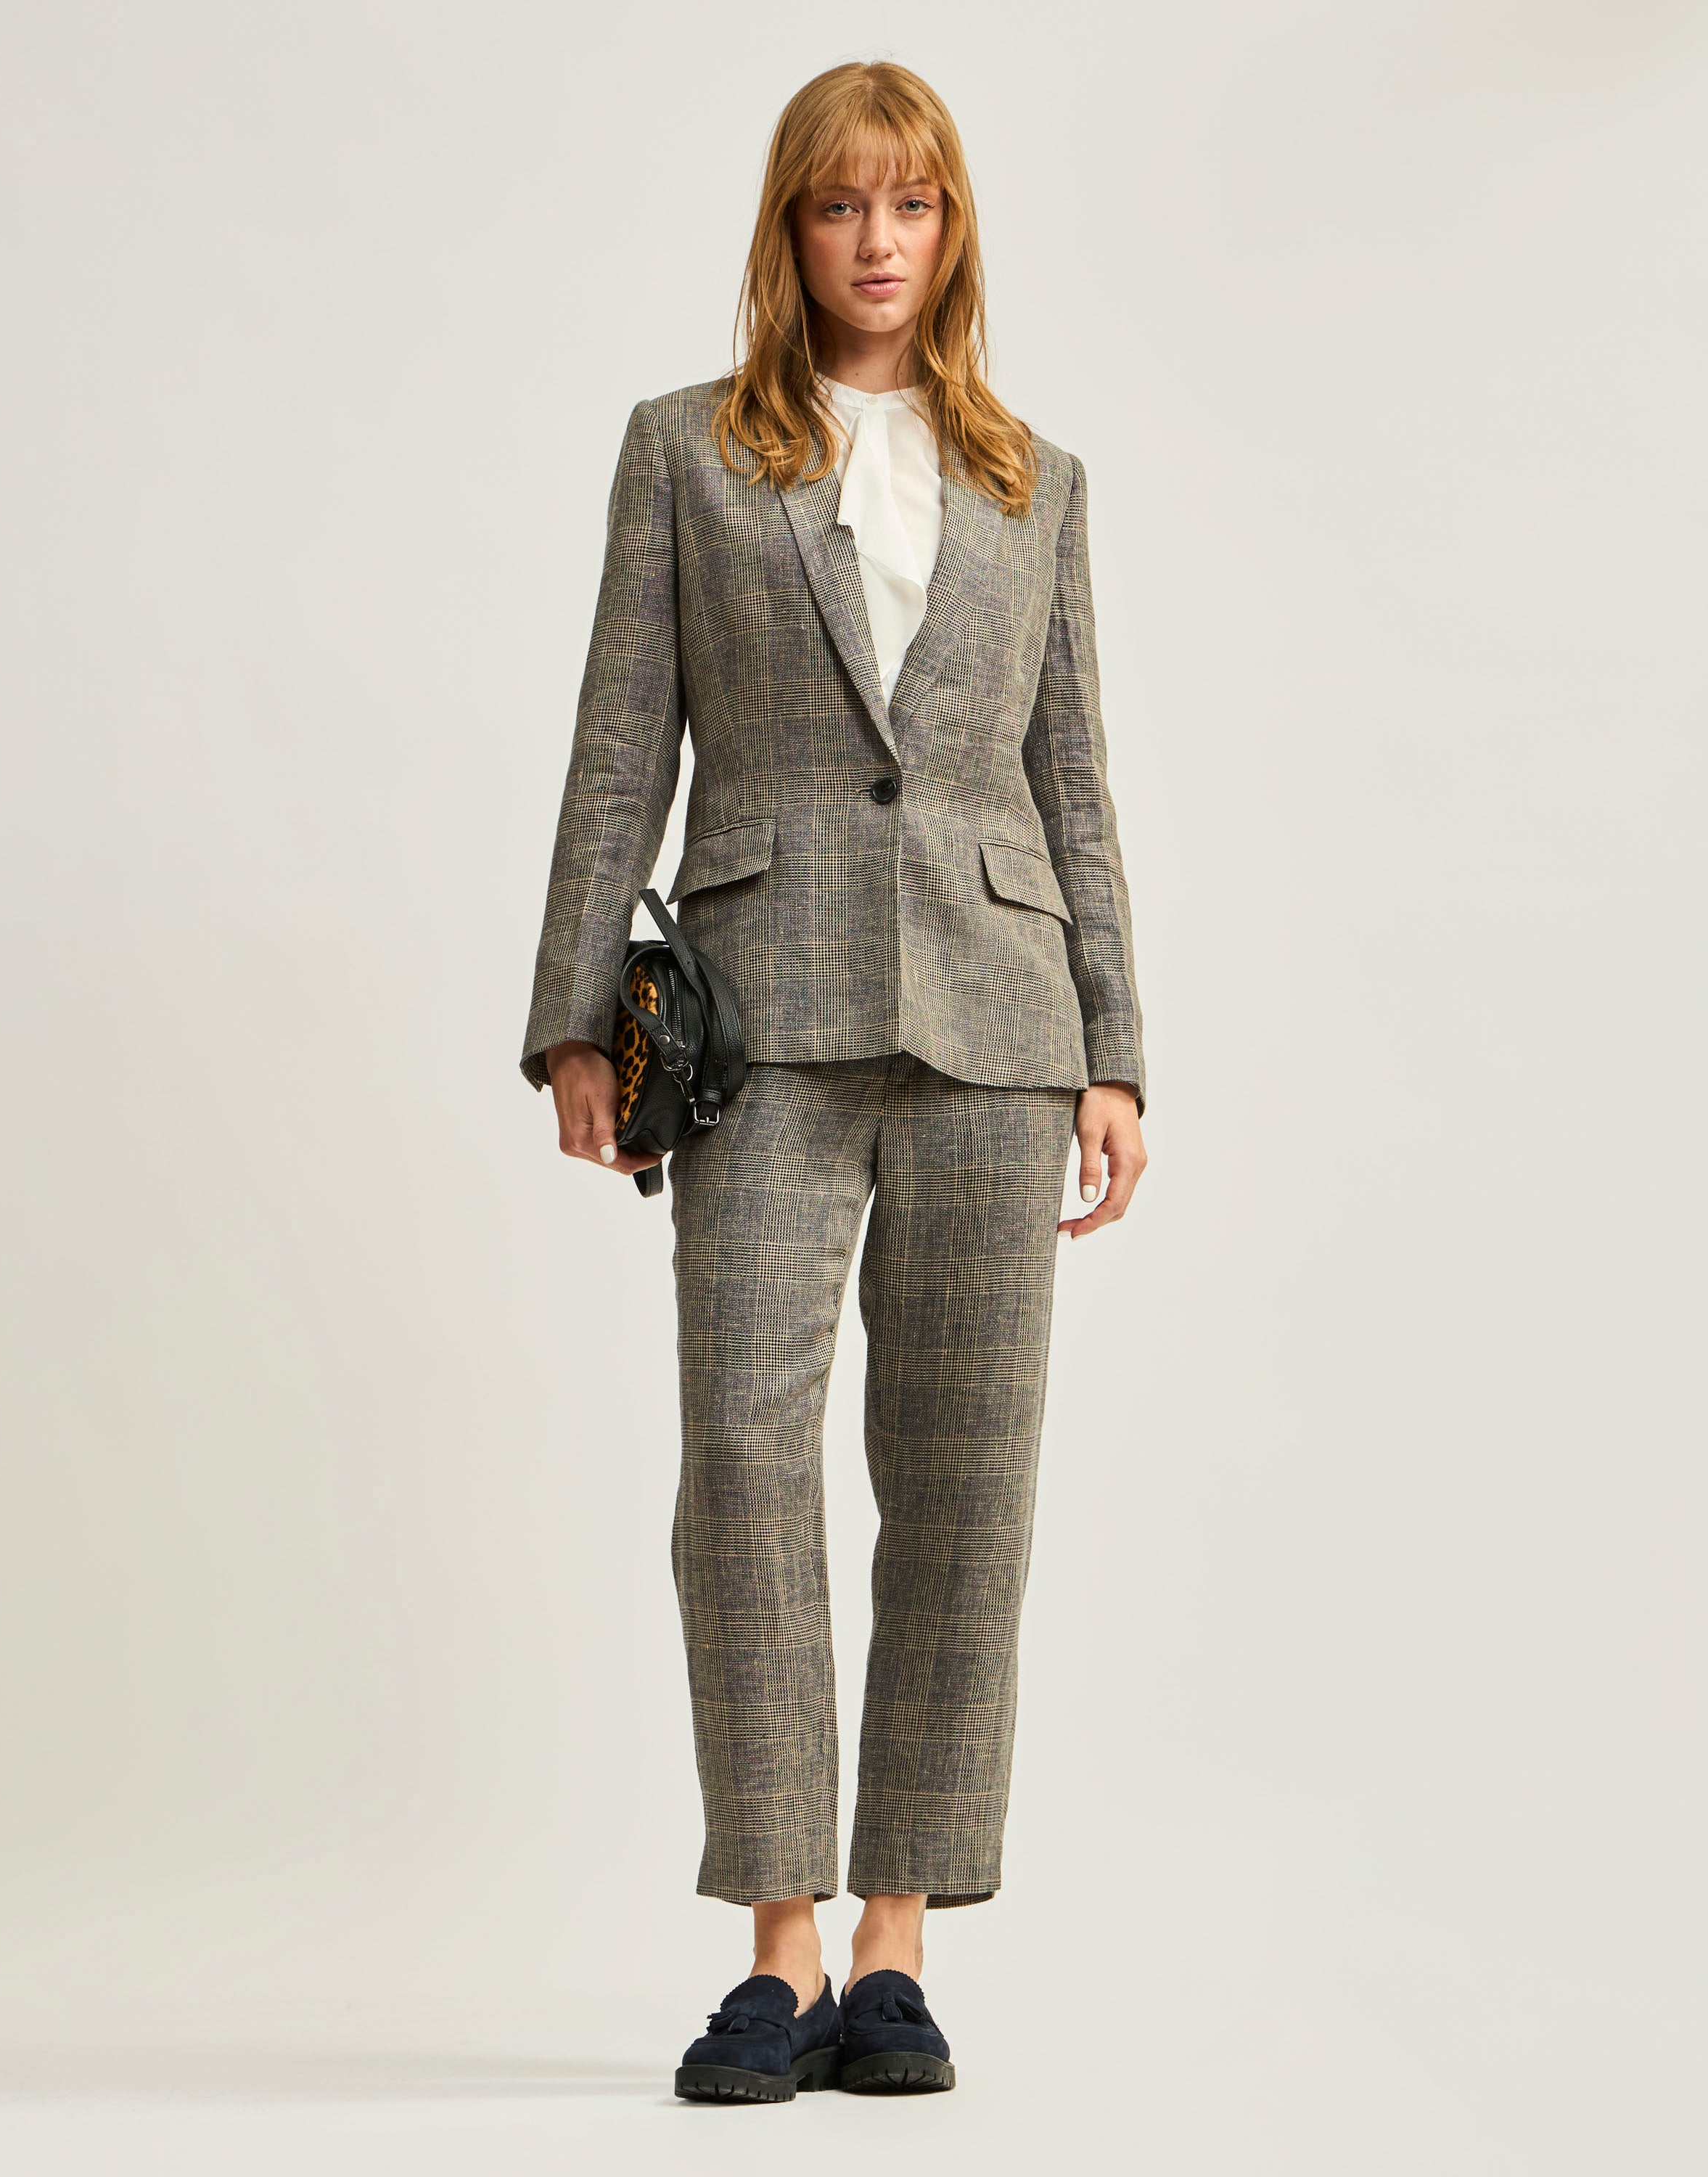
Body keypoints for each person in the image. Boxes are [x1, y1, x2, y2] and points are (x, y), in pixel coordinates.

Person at [520, 59, 1147, 2102]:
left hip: (998, 1020)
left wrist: (1117, 1050)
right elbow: (621, 743)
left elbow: (1073, 781)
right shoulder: (688, 453)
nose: (878, 240)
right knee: (745, 1459)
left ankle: (897, 1943)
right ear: (789, 231)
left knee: (967, 1480)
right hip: (759, 1015)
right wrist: (574, 1013)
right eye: (839, 205)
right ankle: (777, 1950)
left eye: (913, 204)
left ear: (953, 232)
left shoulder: (1038, 482)